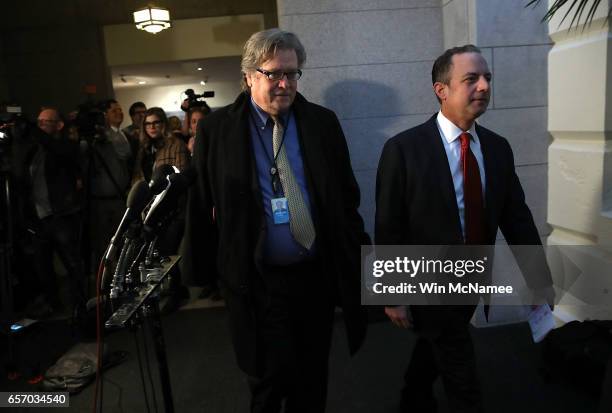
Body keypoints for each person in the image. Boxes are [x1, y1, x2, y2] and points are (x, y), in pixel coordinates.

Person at [190, 28, 369, 412]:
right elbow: (202, 203)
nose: (285, 83)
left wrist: (361, 265)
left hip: (315, 276)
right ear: (249, 76)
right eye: (274, 74)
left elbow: (345, 199)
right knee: (269, 380)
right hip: (257, 281)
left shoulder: (322, 123)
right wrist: (205, 272)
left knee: (312, 375)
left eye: (292, 73)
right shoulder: (217, 130)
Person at [375, 45, 554, 412]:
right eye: (471, 79)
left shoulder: (498, 149)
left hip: (471, 278)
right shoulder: (404, 149)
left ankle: (413, 398)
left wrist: (538, 282)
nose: (484, 86)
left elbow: (517, 219)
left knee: (434, 345)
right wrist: (392, 294)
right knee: (463, 377)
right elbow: (389, 225)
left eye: (487, 77)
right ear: (442, 90)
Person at [11, 107, 85, 317]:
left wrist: (34, 130)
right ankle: (54, 304)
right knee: (43, 266)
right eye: (39, 121)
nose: (41, 126)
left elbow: (58, 149)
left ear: (59, 125)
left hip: (62, 215)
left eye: (46, 122)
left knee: (72, 263)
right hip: (38, 218)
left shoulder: (65, 146)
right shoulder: (32, 150)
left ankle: (80, 306)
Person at [87, 99, 134, 272]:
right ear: (104, 115)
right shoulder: (100, 139)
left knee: (123, 239)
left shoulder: (124, 135)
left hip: (120, 196)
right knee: (105, 242)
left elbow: (125, 156)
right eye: (114, 111)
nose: (119, 113)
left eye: (120, 110)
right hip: (102, 200)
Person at [132, 107, 190, 183]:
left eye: (156, 123)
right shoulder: (144, 148)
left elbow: (182, 176)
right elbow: (137, 176)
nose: (152, 127)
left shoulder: (177, 145)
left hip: (169, 192)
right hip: (148, 193)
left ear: (163, 124)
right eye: (148, 124)